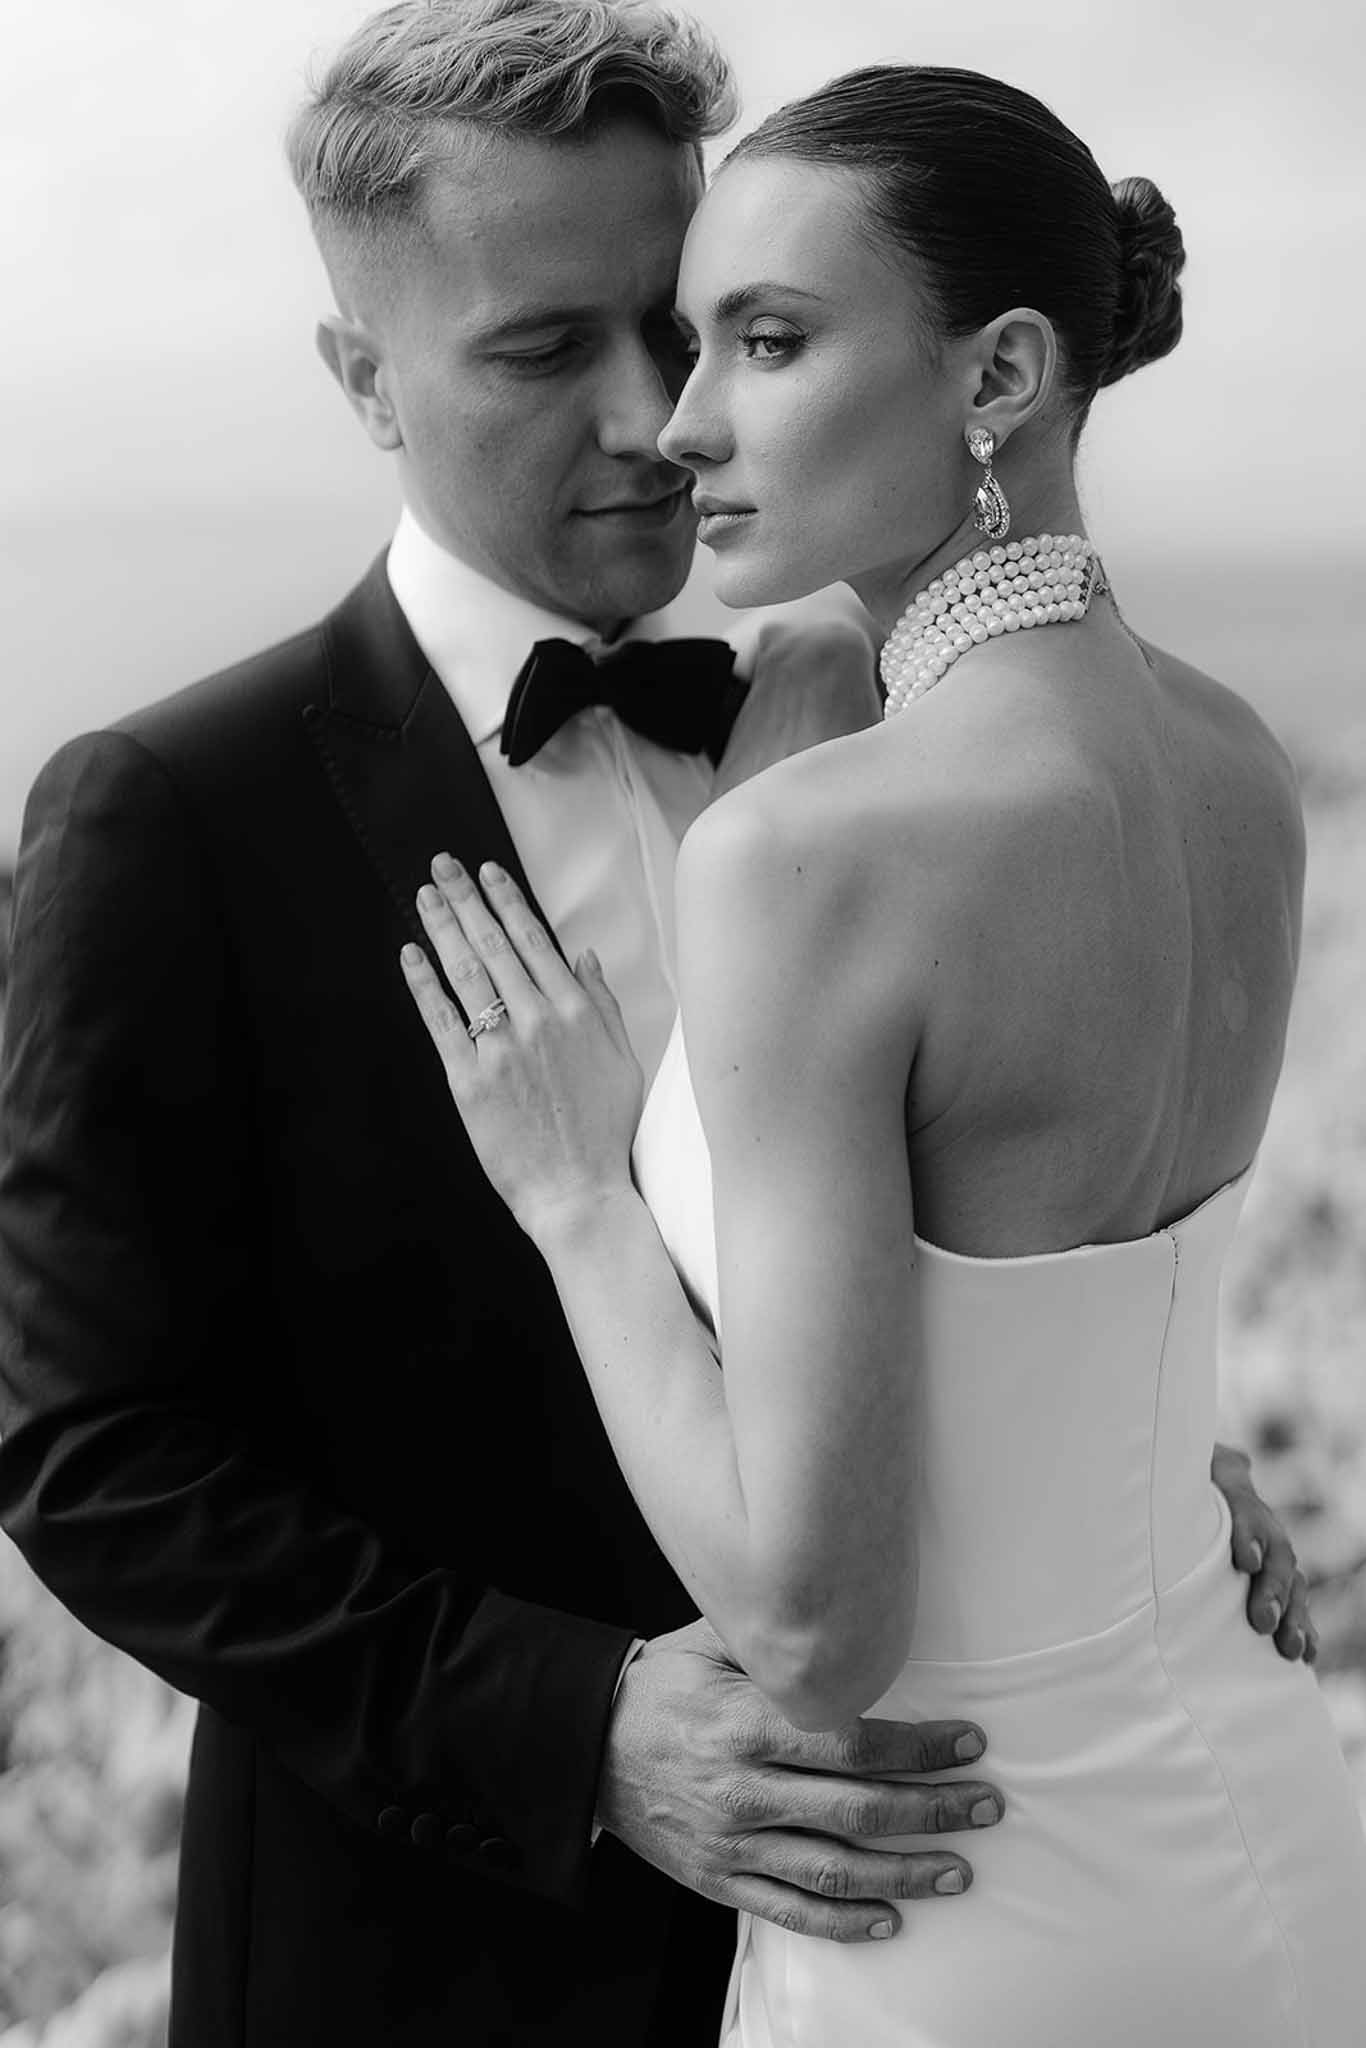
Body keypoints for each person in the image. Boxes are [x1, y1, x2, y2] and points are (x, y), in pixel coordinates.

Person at [0, 7, 1308, 2045]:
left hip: (950, 1884)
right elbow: (85, 1449)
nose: (653, 410)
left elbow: (999, 1208)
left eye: (691, 325)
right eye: (544, 350)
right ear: (362, 378)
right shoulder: (169, 810)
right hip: (443, 1945)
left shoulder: (876, 715)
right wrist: (577, 1726)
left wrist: (1128, 1487)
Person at [401, 56, 1366, 2048]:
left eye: (766, 341)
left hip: (959, 1883)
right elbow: (1071, 1295)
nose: (681, 424)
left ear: (999, 372)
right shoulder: (1233, 771)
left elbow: (809, 1628)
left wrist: (576, 1195)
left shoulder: (814, 857)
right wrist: (1168, 1483)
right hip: (1260, 1805)